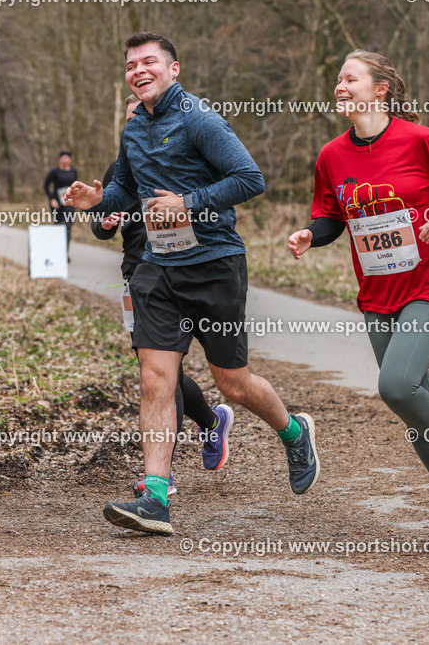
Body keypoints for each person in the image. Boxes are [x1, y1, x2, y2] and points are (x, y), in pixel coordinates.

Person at [66, 32, 319, 535]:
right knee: (155, 378)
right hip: (158, 267)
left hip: (213, 265)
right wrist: (101, 201)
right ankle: (156, 499)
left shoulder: (200, 119)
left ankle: (294, 432)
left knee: (233, 384)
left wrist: (187, 202)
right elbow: (128, 189)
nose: (139, 70)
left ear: (173, 69)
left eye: (150, 62)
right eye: (131, 64)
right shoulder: (134, 128)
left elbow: (249, 178)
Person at [287, 49, 429, 552]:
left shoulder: (422, 140)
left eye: (350, 78)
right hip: (378, 296)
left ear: (381, 90)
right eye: (337, 79)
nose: (340, 86)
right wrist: (312, 234)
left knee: (396, 386)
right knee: (417, 412)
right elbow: (332, 214)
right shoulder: (332, 155)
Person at [91, 94, 233, 495]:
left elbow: (229, 186)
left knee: (169, 376)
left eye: (141, 113)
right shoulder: (119, 169)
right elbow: (100, 228)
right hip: (137, 272)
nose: (136, 121)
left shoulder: (180, 157)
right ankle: (210, 422)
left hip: (185, 268)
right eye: (129, 117)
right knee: (156, 372)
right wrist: (106, 220)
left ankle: (162, 478)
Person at [44, 152, 78, 255]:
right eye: (63, 158)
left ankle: (65, 253)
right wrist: (51, 199)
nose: (65, 160)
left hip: (70, 202)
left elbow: (75, 185)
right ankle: (57, 252)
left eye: (67, 158)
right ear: (59, 160)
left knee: (67, 226)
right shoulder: (54, 171)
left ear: (70, 160)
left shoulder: (73, 171)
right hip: (57, 203)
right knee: (58, 227)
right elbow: (46, 186)